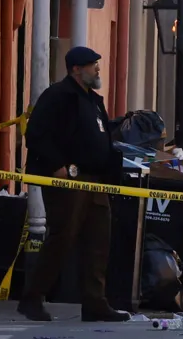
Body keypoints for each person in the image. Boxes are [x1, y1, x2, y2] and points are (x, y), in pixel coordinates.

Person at [17, 46, 128, 323]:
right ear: (76, 69)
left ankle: (95, 302)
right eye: (92, 65)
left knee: (98, 240)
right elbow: (36, 134)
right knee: (62, 238)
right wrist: (58, 166)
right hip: (70, 180)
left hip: (96, 180)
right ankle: (32, 297)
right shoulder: (58, 96)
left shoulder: (93, 100)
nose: (97, 69)